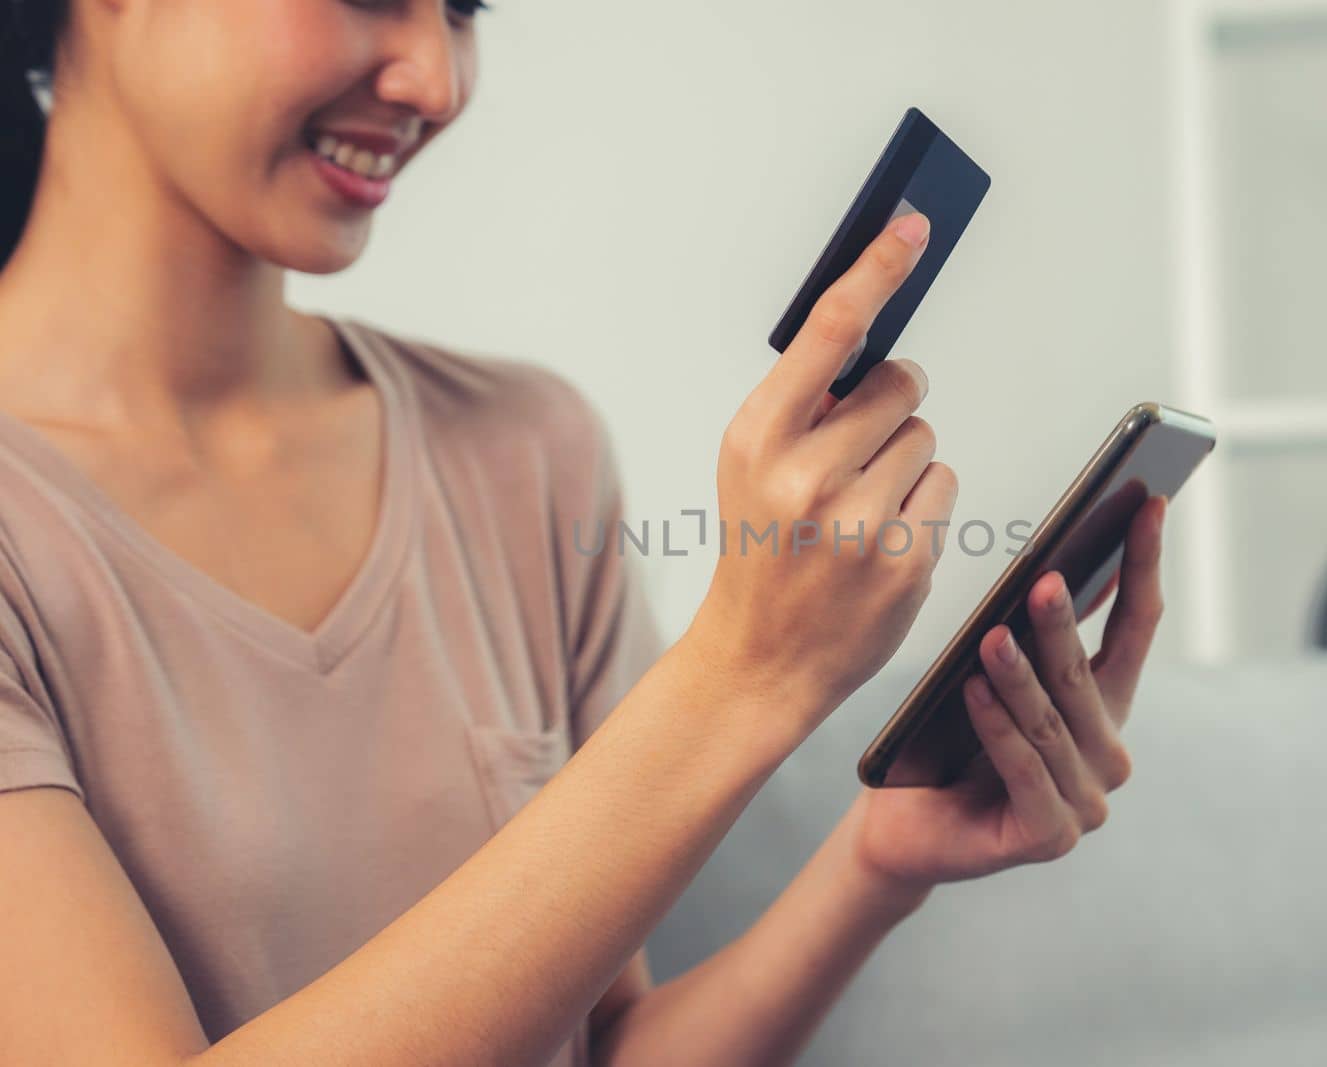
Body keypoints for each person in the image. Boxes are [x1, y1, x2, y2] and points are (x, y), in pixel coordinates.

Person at [0, 2, 1169, 1065]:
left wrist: (875, 865)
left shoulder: (521, 448)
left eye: (463, 12)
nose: (437, 82)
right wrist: (744, 671)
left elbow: (608, 1047)